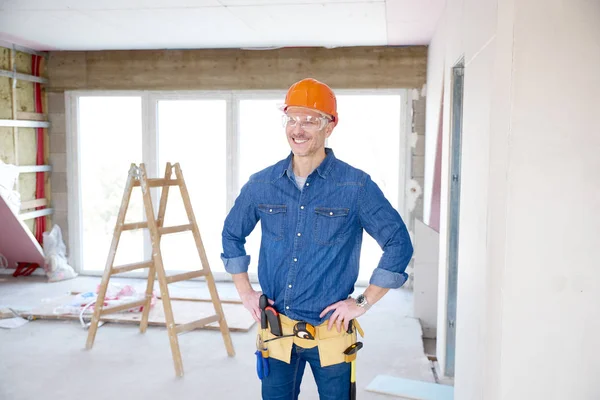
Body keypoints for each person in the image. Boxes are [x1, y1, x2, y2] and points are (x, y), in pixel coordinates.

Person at [221, 78, 413, 399]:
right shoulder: (263, 183)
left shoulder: (355, 187)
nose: (299, 129)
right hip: (276, 329)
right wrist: (244, 292)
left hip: (332, 333)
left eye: (310, 120)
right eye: (292, 119)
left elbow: (398, 244)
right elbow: (231, 234)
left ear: (330, 126)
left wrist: (363, 303)